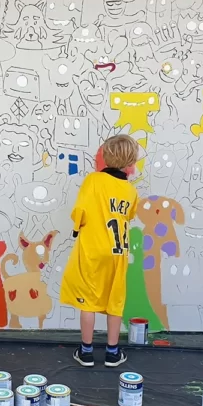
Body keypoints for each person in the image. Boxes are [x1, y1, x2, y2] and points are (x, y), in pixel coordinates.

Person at [60, 134, 140, 368]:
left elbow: (80, 211)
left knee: (89, 302)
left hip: (93, 251)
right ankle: (112, 352)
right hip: (119, 253)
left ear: (105, 157)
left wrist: (78, 227)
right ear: (130, 162)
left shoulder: (93, 180)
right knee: (115, 302)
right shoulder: (130, 190)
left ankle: (86, 352)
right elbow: (129, 215)